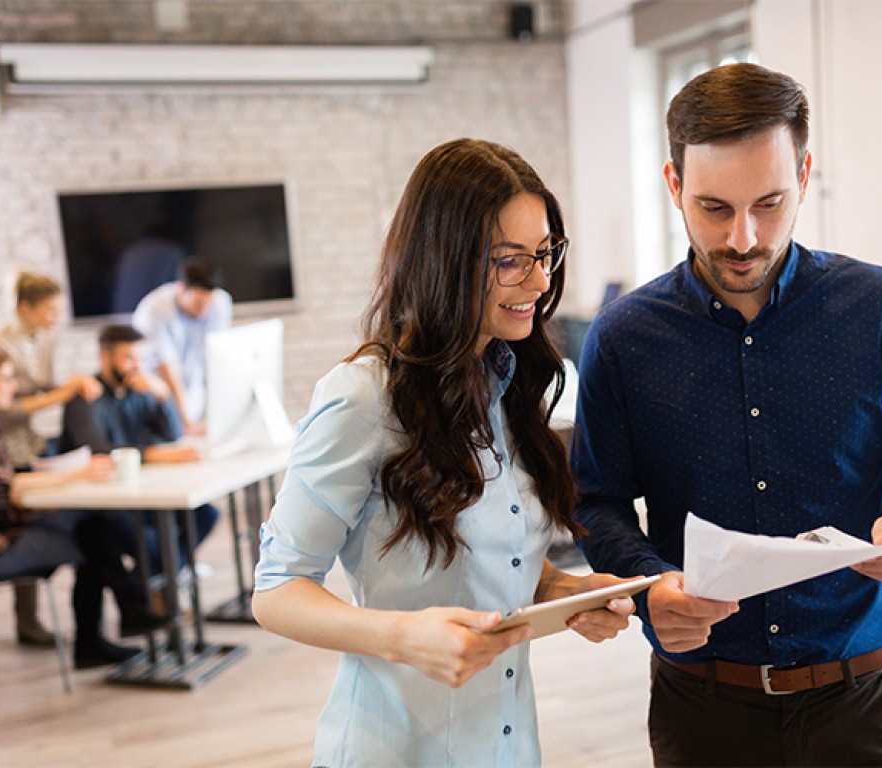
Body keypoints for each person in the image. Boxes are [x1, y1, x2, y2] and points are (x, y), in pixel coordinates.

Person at [570, 63, 882, 767]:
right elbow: (597, 501)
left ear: (805, 173)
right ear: (673, 186)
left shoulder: (881, 309)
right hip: (701, 708)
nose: (742, 238)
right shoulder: (622, 337)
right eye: (713, 208)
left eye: (770, 203)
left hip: (860, 702)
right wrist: (647, 587)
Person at [252, 138, 637, 767]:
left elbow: (489, 562)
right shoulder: (363, 398)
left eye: (544, 254)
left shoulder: (508, 385)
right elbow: (276, 590)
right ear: (444, 262)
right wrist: (403, 636)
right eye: (510, 261)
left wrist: (562, 591)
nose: (540, 282)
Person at [0, 346, 168, 669]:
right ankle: (120, 615)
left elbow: (9, 488)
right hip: (4, 542)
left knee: (93, 527)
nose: (13, 387)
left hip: (13, 526)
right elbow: (9, 495)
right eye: (5, 379)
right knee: (91, 534)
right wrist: (76, 474)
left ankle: (115, 621)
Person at [58, 324, 219, 577]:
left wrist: (163, 394)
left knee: (206, 514)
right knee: (156, 546)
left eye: (141, 359)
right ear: (105, 358)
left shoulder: (140, 391)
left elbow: (173, 434)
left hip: (141, 493)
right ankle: (156, 589)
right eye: (129, 358)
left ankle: (157, 585)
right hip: (103, 504)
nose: (137, 366)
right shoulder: (85, 397)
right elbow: (97, 449)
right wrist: (155, 455)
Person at [0, 271, 101, 647]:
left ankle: (32, 618)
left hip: (29, 443)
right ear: (26, 307)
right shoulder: (3, 346)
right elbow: (10, 410)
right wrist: (65, 392)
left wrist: (72, 383)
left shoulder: (43, 338)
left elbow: (40, 387)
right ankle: (28, 620)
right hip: (9, 442)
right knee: (21, 514)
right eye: (50, 310)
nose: (56, 317)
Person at [132, 256, 232, 435]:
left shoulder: (221, 302)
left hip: (191, 394)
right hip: (156, 398)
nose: (204, 311)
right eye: (198, 304)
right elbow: (167, 368)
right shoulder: (154, 309)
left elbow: (218, 355)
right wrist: (187, 422)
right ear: (180, 289)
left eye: (208, 303)